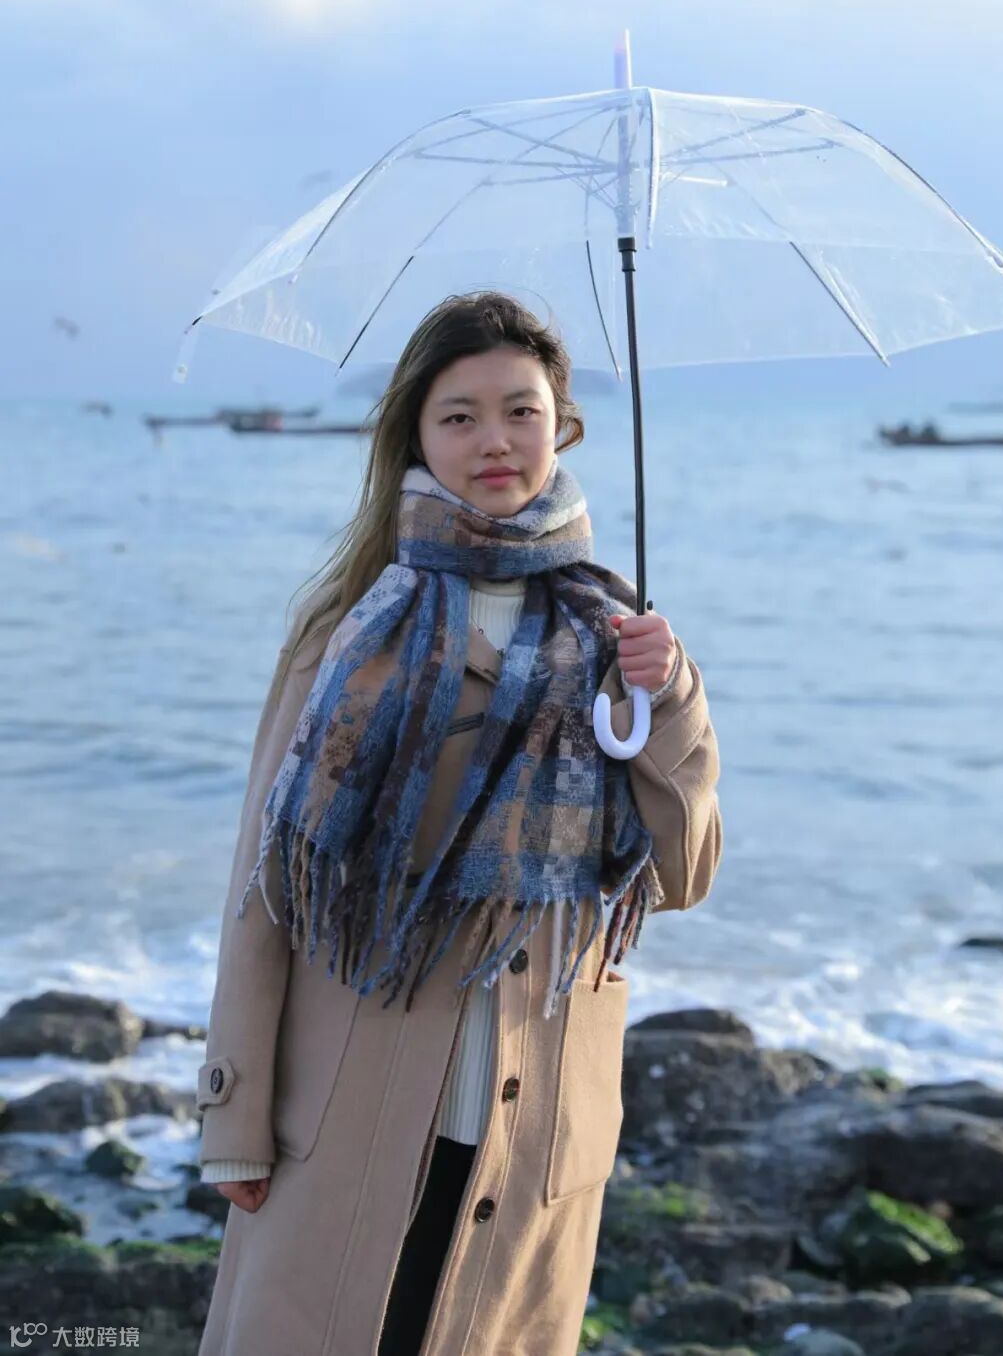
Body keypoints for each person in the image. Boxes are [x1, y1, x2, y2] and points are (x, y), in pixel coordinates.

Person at [195, 290, 723, 1356]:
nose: (495, 440)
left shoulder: (621, 639)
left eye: (522, 411)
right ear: (417, 436)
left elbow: (683, 874)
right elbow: (265, 887)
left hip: (536, 1127)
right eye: (460, 415)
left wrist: (664, 701)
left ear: (562, 425)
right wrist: (234, 1116)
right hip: (351, 1107)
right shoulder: (348, 634)